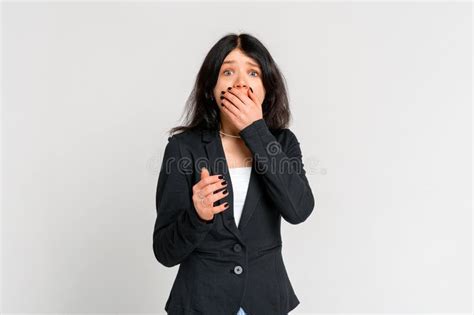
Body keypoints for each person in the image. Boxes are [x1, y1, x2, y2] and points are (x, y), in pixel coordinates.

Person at [153, 33, 315, 315]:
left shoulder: (282, 142)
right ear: (211, 87)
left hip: (265, 300)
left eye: (253, 72)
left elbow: (298, 209)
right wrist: (198, 215)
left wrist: (256, 131)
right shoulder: (183, 148)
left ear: (266, 87)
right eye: (228, 71)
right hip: (200, 302)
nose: (240, 82)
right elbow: (166, 251)